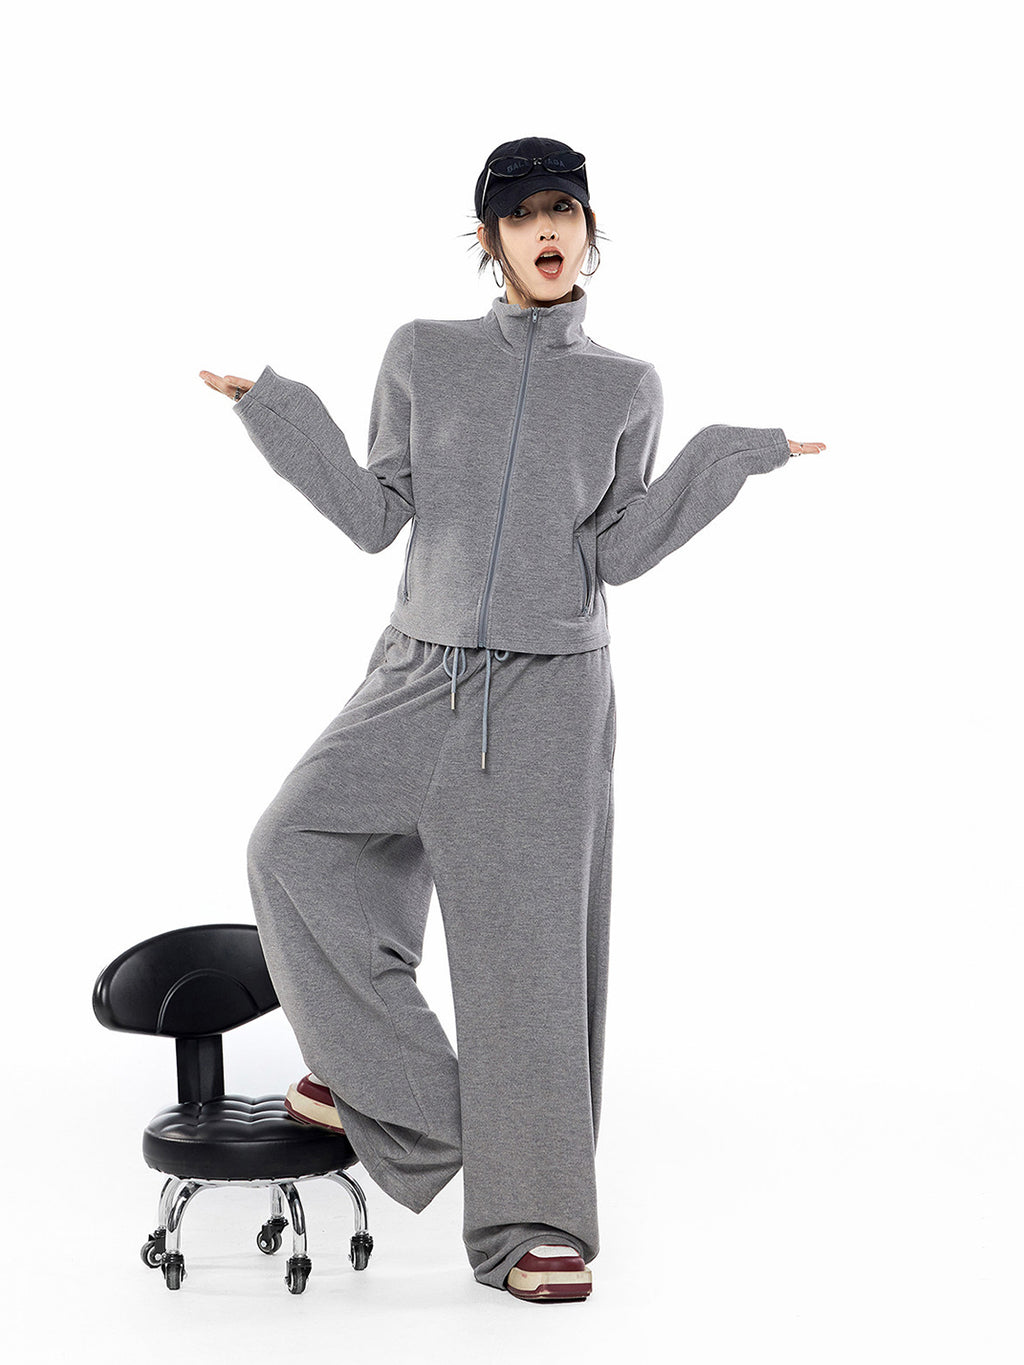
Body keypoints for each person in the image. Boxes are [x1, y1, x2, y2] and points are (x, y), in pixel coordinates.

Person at [199, 135, 826, 1304]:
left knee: (529, 965)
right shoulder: (422, 354)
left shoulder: (625, 386)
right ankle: (386, 1085)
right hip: (416, 668)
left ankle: (535, 1222)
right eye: (526, 216)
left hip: (548, 694)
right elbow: (374, 515)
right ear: (488, 240)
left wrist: (718, 460)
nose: (549, 233)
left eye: (565, 213)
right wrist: (278, 414)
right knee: (294, 845)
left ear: (588, 231)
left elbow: (618, 550)